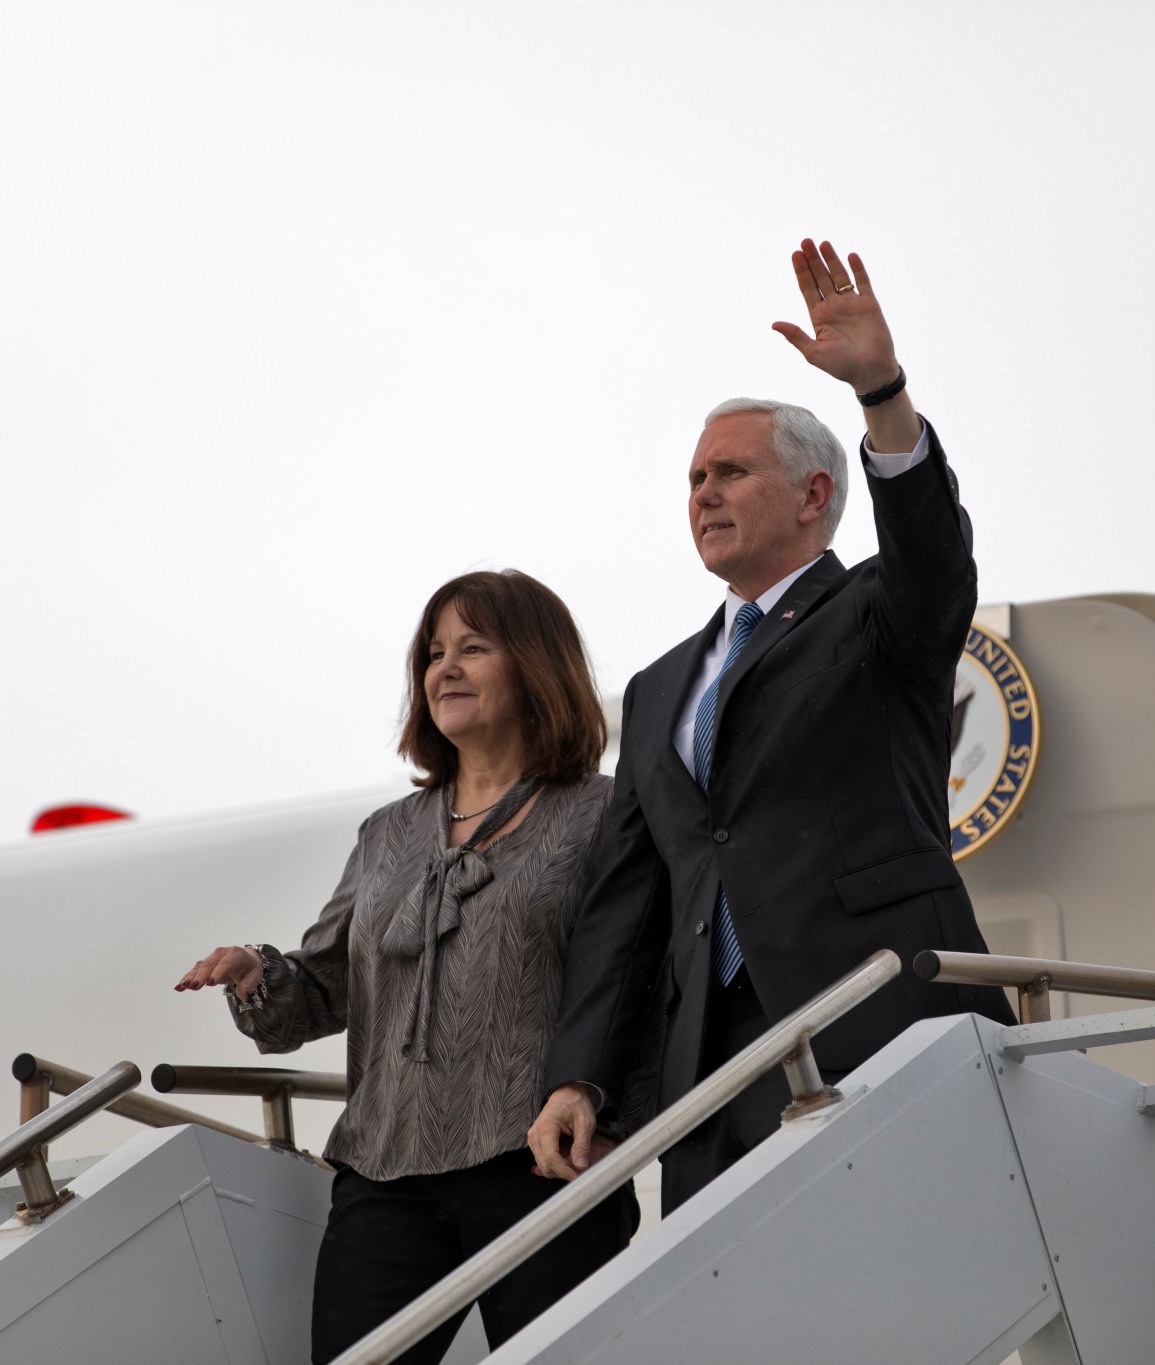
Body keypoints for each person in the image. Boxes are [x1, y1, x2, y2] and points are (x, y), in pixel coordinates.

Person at [526, 239, 1016, 1213]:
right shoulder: (659, 686)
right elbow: (629, 908)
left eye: (730, 473)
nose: (702, 493)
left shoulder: (880, 614)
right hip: (713, 1077)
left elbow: (929, 546)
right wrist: (580, 1074)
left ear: (812, 495)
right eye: (693, 478)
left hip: (877, 1021)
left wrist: (880, 390)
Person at [176, 570, 637, 1365]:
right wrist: (257, 970)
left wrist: (597, 1098)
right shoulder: (386, 832)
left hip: (540, 1164)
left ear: (535, 665)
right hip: (383, 1174)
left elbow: (633, 976)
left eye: (473, 647)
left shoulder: (602, 812)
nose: (444, 669)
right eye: (433, 654)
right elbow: (322, 990)